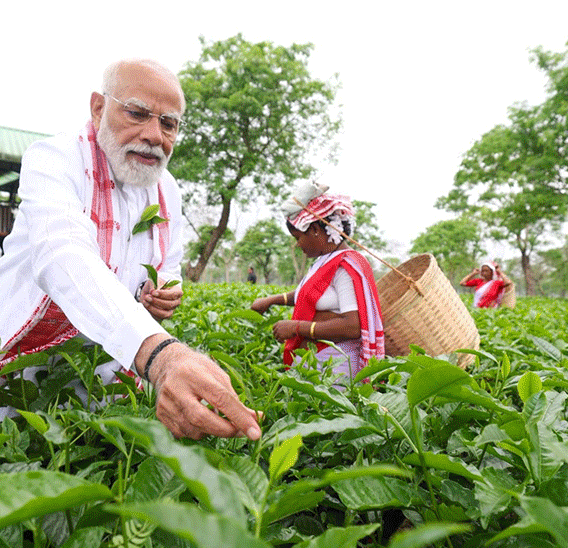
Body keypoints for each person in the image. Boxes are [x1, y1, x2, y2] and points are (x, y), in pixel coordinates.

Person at [0, 59, 261, 441]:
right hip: (24, 372)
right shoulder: (56, 159)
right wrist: (161, 355)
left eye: (168, 123)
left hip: (109, 376)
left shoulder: (167, 189)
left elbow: (168, 265)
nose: (154, 135)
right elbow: (62, 251)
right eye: (137, 113)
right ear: (98, 108)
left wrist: (163, 290)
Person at [251, 181, 384, 382]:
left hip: (337, 371)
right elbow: (309, 294)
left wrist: (296, 327)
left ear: (314, 229)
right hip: (320, 366)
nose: (298, 245)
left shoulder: (344, 266)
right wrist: (271, 300)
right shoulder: (325, 261)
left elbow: (352, 326)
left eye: (298, 237)